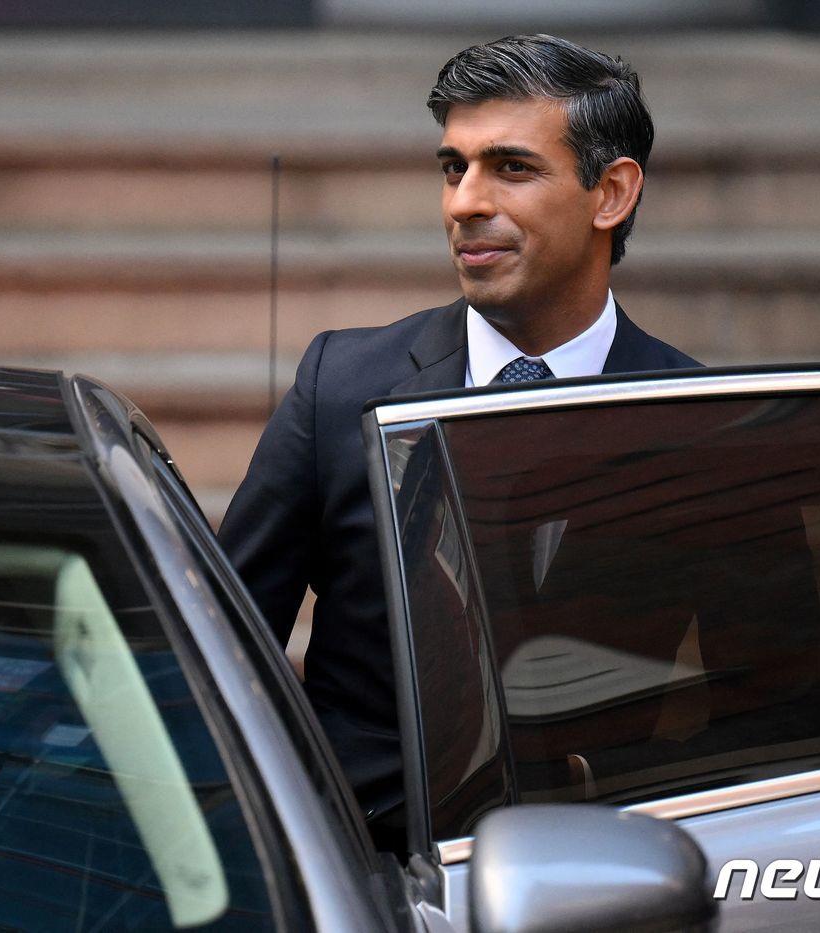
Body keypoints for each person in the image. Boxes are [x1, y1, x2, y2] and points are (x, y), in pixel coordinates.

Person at [217, 34, 699, 828]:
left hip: (603, 877)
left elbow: (774, 705)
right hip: (361, 869)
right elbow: (223, 653)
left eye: (511, 167)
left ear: (611, 194)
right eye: (453, 167)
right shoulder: (340, 386)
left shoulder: (695, 418)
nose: (464, 202)